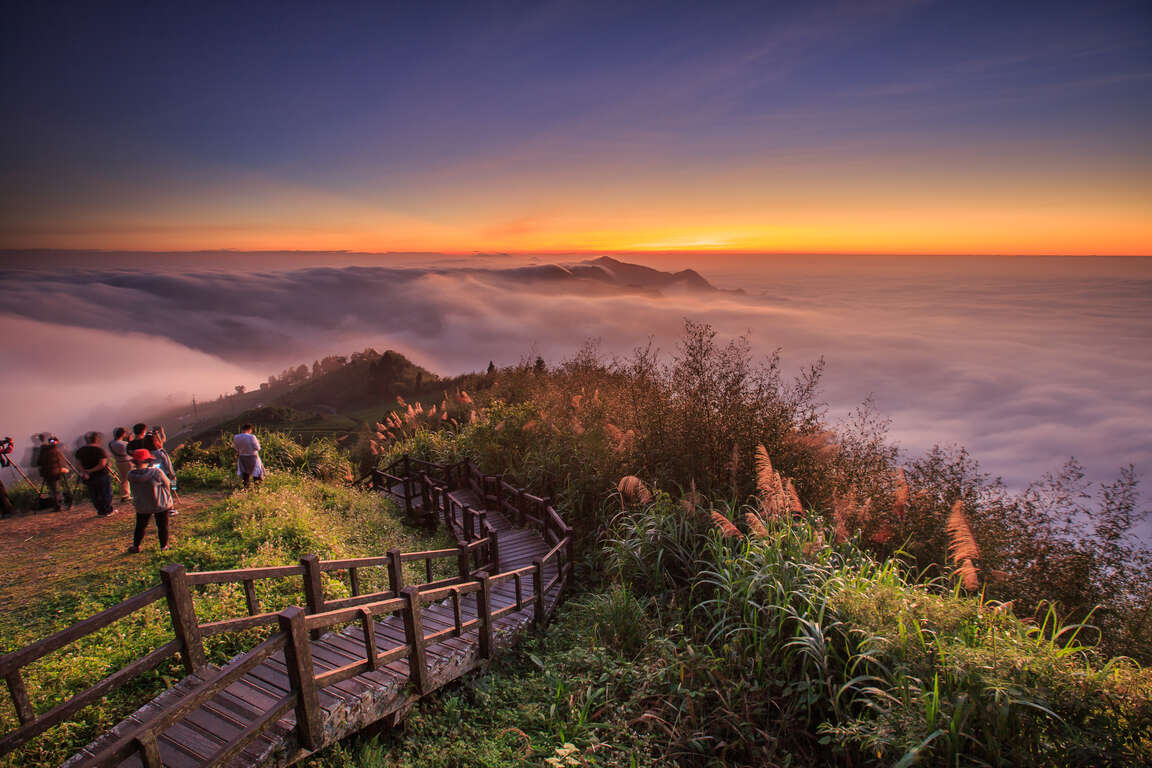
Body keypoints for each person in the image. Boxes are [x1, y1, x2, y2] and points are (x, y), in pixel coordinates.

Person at [126, 448, 173, 552]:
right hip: (159, 503)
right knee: (162, 526)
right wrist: (169, 498)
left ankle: (136, 546)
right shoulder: (157, 472)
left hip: (142, 505)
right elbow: (167, 484)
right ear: (147, 460)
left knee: (140, 526)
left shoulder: (131, 475)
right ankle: (163, 546)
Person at [76, 431, 115, 517]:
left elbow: (78, 464)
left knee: (94, 494)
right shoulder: (100, 450)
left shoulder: (80, 451)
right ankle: (107, 510)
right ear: (97, 440)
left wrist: (85, 471)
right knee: (105, 493)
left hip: (89, 477)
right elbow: (102, 464)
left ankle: (100, 511)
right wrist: (92, 470)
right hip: (101, 475)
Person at [36, 434, 72, 511]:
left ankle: (57, 506)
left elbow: (38, 462)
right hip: (59, 471)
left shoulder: (43, 451)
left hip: (48, 473)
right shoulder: (56, 451)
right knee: (64, 487)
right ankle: (68, 502)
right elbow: (60, 461)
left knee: (53, 490)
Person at [232, 423, 264, 488]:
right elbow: (257, 448)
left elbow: (236, 448)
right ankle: (257, 488)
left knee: (245, 473)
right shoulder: (252, 437)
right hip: (253, 457)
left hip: (242, 457)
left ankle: (246, 488)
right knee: (256, 473)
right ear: (250, 429)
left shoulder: (236, 437)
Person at [108, 427, 133, 502]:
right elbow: (131, 451)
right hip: (127, 462)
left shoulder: (111, 443)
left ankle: (124, 494)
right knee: (129, 478)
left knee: (123, 479)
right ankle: (128, 495)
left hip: (118, 462)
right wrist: (130, 441)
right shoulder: (124, 444)